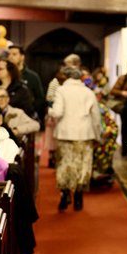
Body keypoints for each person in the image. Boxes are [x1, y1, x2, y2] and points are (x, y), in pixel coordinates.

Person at [49, 66, 101, 211]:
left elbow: (58, 112)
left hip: (66, 133)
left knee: (65, 163)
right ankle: (78, 196)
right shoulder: (88, 91)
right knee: (83, 163)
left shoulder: (61, 90)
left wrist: (50, 111)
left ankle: (65, 193)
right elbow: (96, 116)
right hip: (85, 133)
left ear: (66, 77)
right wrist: (97, 135)